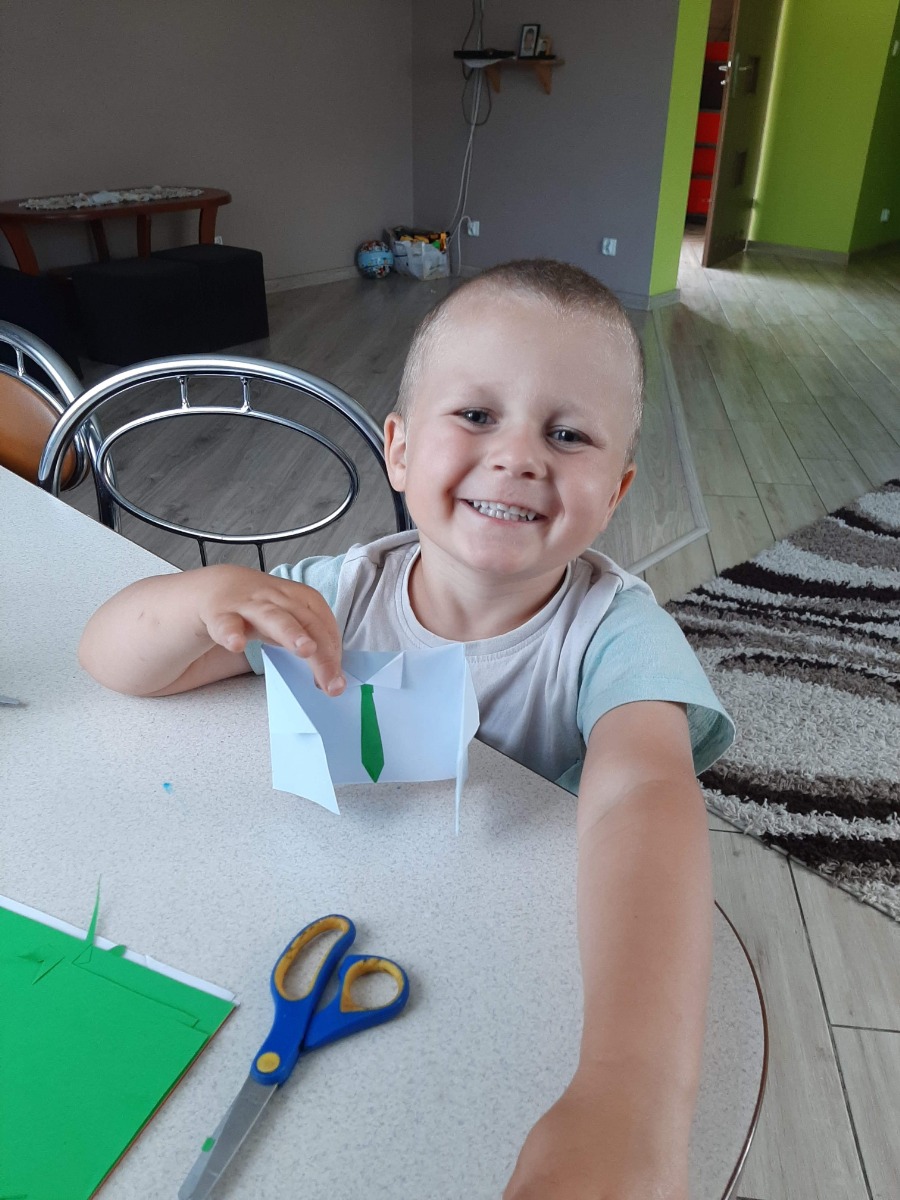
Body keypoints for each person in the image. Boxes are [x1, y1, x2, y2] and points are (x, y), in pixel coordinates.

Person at [80, 260, 734, 1200]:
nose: (518, 456)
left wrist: (632, 1093)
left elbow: (644, 797)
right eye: (476, 414)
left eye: (567, 433)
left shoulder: (615, 636)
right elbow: (115, 661)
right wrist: (206, 595)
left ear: (617, 490)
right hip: (342, 909)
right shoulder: (342, 597)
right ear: (397, 449)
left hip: (527, 967)